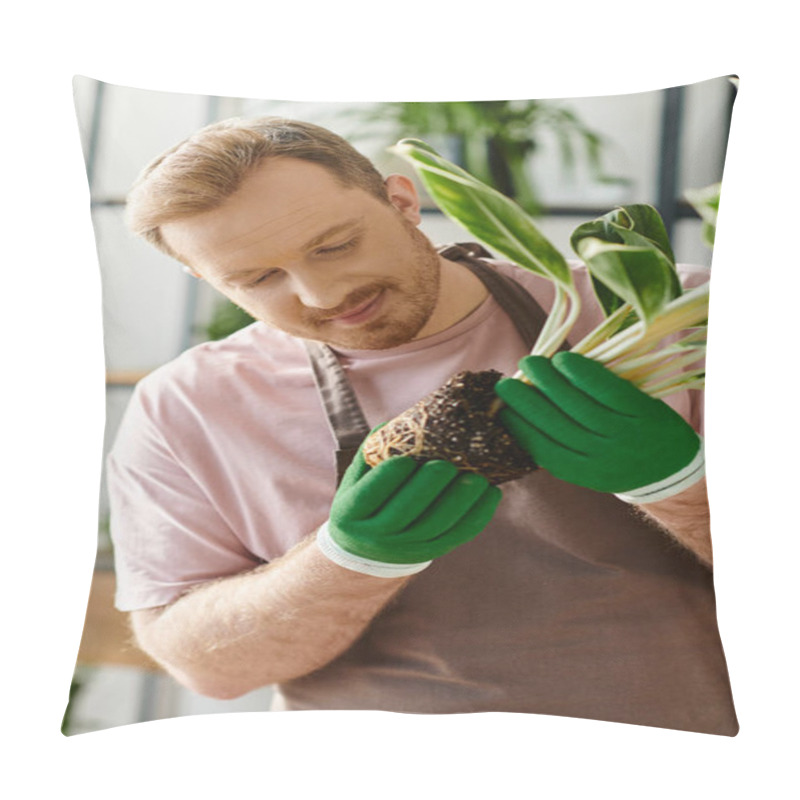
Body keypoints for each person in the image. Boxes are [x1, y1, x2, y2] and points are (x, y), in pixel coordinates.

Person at [109, 116, 738, 734]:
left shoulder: (668, 316)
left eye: (334, 245)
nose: (323, 292)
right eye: (257, 278)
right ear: (203, 277)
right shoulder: (187, 406)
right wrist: (344, 561)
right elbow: (205, 668)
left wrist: (682, 487)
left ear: (402, 199)